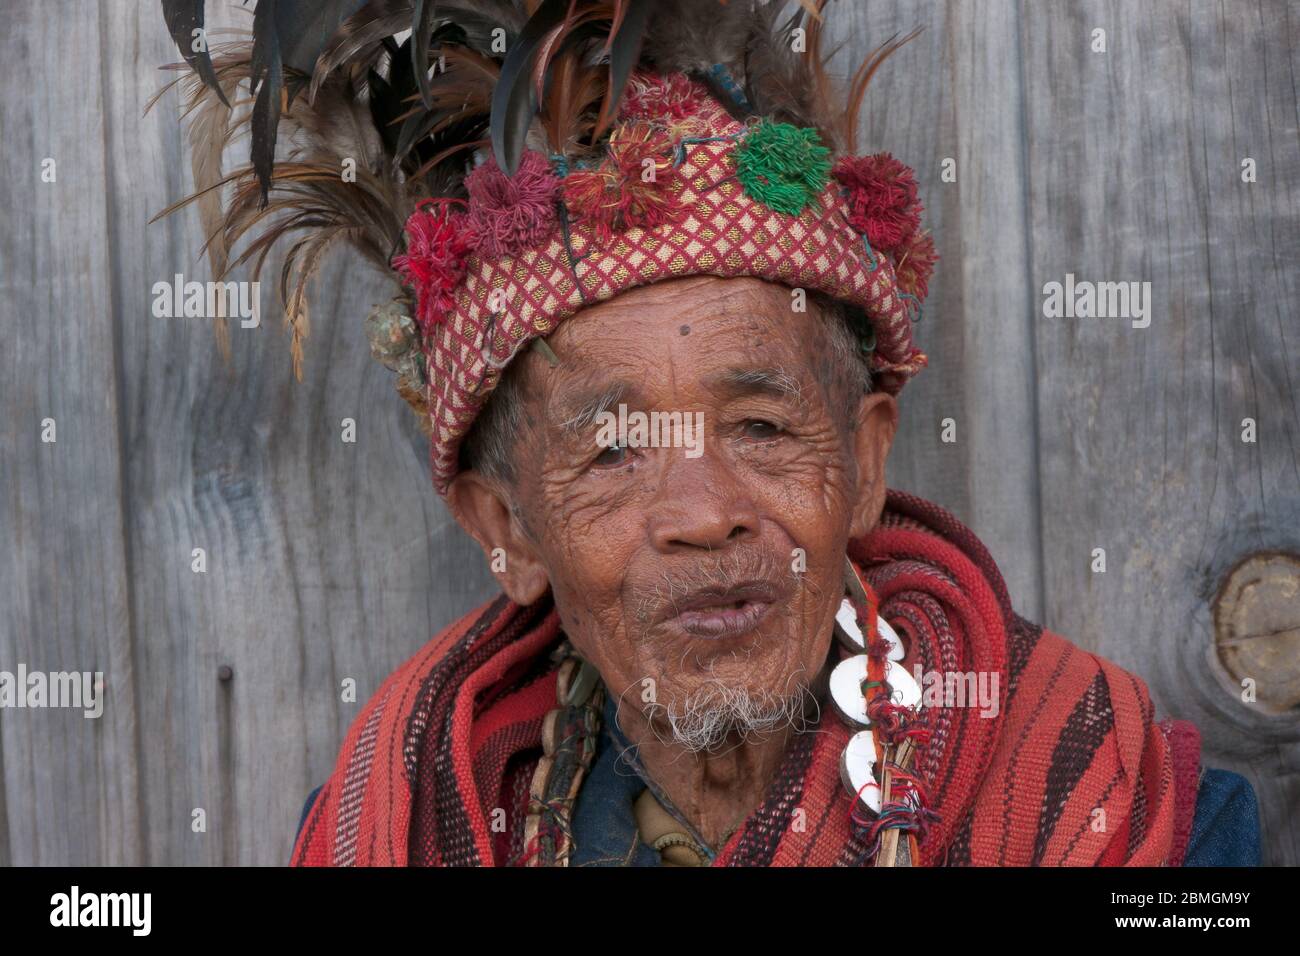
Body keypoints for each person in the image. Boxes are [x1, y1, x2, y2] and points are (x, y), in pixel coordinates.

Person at [161, 0, 1259, 866]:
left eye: (762, 424)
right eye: (614, 449)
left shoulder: (1129, 816)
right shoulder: (407, 824)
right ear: (508, 529)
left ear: (866, 459)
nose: (704, 512)